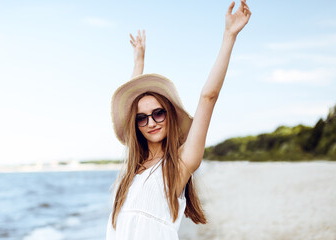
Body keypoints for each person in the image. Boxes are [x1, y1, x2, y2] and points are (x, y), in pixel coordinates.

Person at [106, 1, 251, 239]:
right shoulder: (132, 171)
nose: (151, 123)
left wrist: (229, 36)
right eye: (142, 118)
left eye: (158, 113)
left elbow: (208, 97)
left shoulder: (180, 164)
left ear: (170, 115)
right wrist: (138, 63)